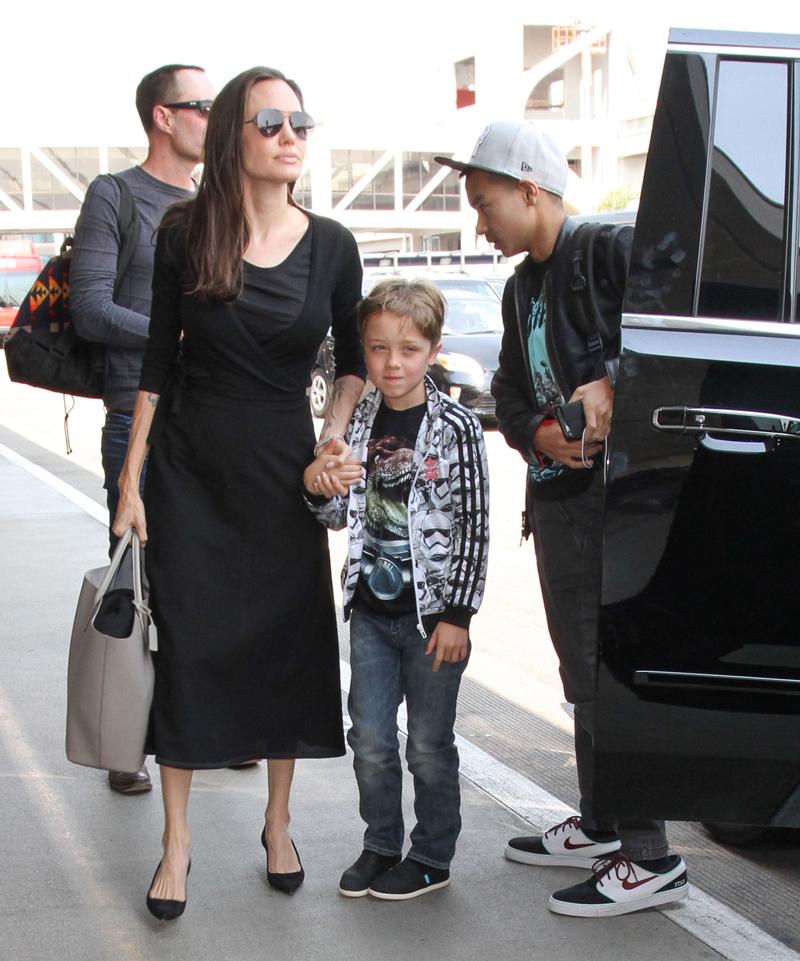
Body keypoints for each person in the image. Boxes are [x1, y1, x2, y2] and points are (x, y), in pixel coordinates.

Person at [111, 66, 366, 920]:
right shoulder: (189, 233)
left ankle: (279, 823)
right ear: (232, 135)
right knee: (189, 646)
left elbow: (357, 363)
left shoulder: (331, 243)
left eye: (301, 118)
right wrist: (130, 477)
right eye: (270, 120)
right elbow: (156, 362)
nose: (290, 133)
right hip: (189, 471)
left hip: (281, 472)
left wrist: (332, 434)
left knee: (285, 641)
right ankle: (176, 841)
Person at [436, 123, 689, 917]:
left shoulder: (604, 250)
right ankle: (605, 818)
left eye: (485, 205)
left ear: (529, 190)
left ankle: (649, 854)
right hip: (559, 501)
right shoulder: (521, 289)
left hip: (619, 500)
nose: (481, 224)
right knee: (579, 670)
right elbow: (510, 393)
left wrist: (613, 381)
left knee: (603, 668)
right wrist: (536, 430)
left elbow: (677, 317)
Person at [304, 278, 490, 900]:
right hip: (371, 613)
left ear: (433, 351)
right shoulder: (356, 421)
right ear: (364, 348)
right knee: (372, 740)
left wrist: (458, 614)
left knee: (430, 745)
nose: (392, 363)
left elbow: (474, 526)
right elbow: (336, 516)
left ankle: (432, 855)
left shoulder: (457, 427)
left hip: (432, 618)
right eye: (379, 349)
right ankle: (381, 843)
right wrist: (318, 486)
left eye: (409, 349)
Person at [70, 62, 215, 797]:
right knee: (139, 583)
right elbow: (89, 308)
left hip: (208, 421)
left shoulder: (212, 203)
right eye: (203, 106)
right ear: (164, 116)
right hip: (138, 417)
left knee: (203, 584)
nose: (215, 118)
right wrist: (178, 337)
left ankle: (201, 729)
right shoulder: (116, 196)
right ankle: (127, 739)